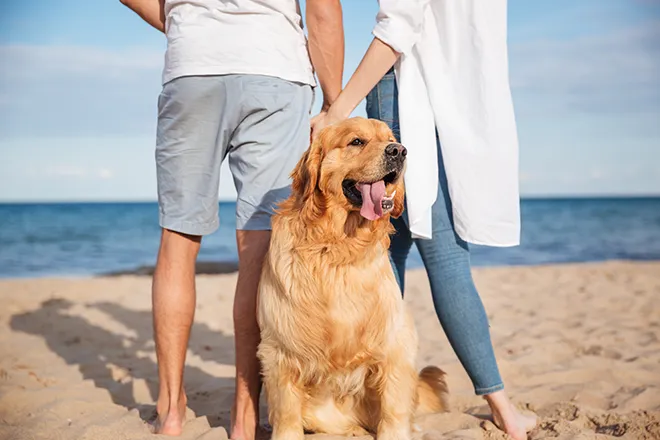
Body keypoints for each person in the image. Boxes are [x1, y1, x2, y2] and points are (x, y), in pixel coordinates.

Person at [311, 1, 538, 439]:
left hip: (406, 95)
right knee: (420, 259)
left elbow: (397, 28)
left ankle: (372, 400)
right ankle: (496, 408)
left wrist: (339, 110)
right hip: (451, 108)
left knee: (385, 258)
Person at [119, 0, 344, 438]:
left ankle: (171, 413)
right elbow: (323, 8)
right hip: (274, 68)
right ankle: (244, 416)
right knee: (258, 245)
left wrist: (186, 21)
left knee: (178, 238)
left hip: (193, 65)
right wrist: (335, 101)